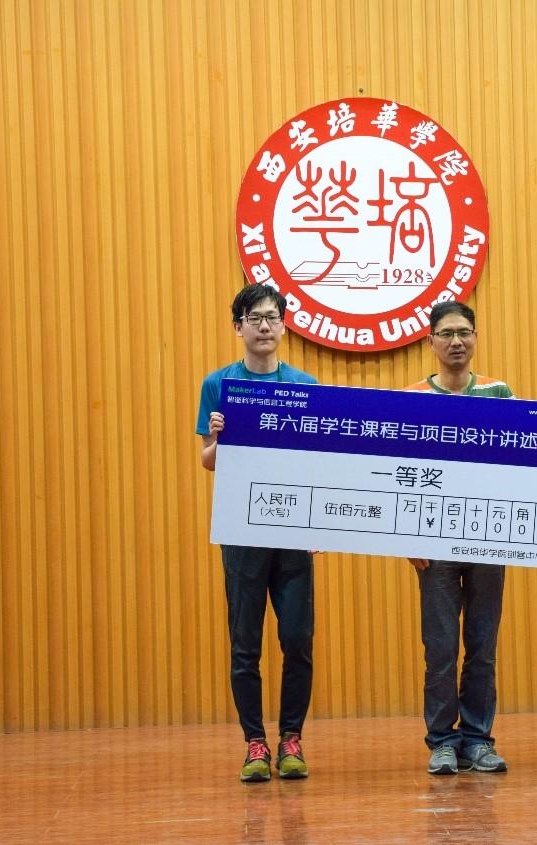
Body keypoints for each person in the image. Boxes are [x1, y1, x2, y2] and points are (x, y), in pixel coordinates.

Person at [198, 283, 318, 783]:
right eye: (254, 318)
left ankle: (291, 739)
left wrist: (317, 520)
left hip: (292, 531)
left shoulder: (305, 385)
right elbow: (208, 461)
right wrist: (219, 438)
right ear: (238, 328)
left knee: (297, 639)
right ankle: (254, 742)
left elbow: (318, 460)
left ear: (284, 327)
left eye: (272, 317)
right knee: (245, 644)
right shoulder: (219, 385)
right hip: (242, 531)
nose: (264, 326)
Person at [404, 301, 513, 775]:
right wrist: (407, 537)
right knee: (442, 649)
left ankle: (478, 739)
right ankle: (442, 741)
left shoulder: (499, 392)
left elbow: (520, 464)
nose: (456, 341)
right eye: (446, 333)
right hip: (434, 544)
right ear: (430, 341)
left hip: (489, 537)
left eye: (464, 332)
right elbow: (398, 471)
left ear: (475, 337)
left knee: (482, 647)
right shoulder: (410, 397)